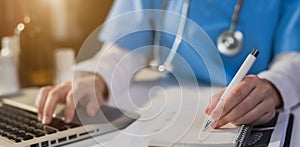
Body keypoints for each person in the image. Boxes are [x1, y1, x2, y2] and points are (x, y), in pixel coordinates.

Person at [35, 0, 300, 129]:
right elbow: (124, 49)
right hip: (163, 110)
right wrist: (97, 77)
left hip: (244, 113)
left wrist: (273, 86)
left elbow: (294, 58)